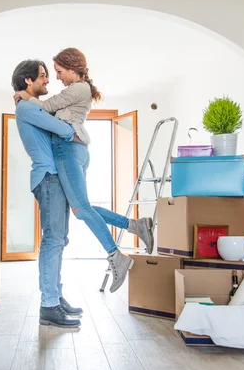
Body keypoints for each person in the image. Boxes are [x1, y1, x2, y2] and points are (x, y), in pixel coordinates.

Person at [11, 59, 154, 327]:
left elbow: (59, 123)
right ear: (27, 80)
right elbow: (65, 130)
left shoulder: (31, 107)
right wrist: (72, 131)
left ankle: (55, 297)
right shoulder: (26, 109)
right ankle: (49, 304)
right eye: (42, 76)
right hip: (48, 177)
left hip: (54, 177)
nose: (47, 81)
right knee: (54, 240)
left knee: (64, 233)